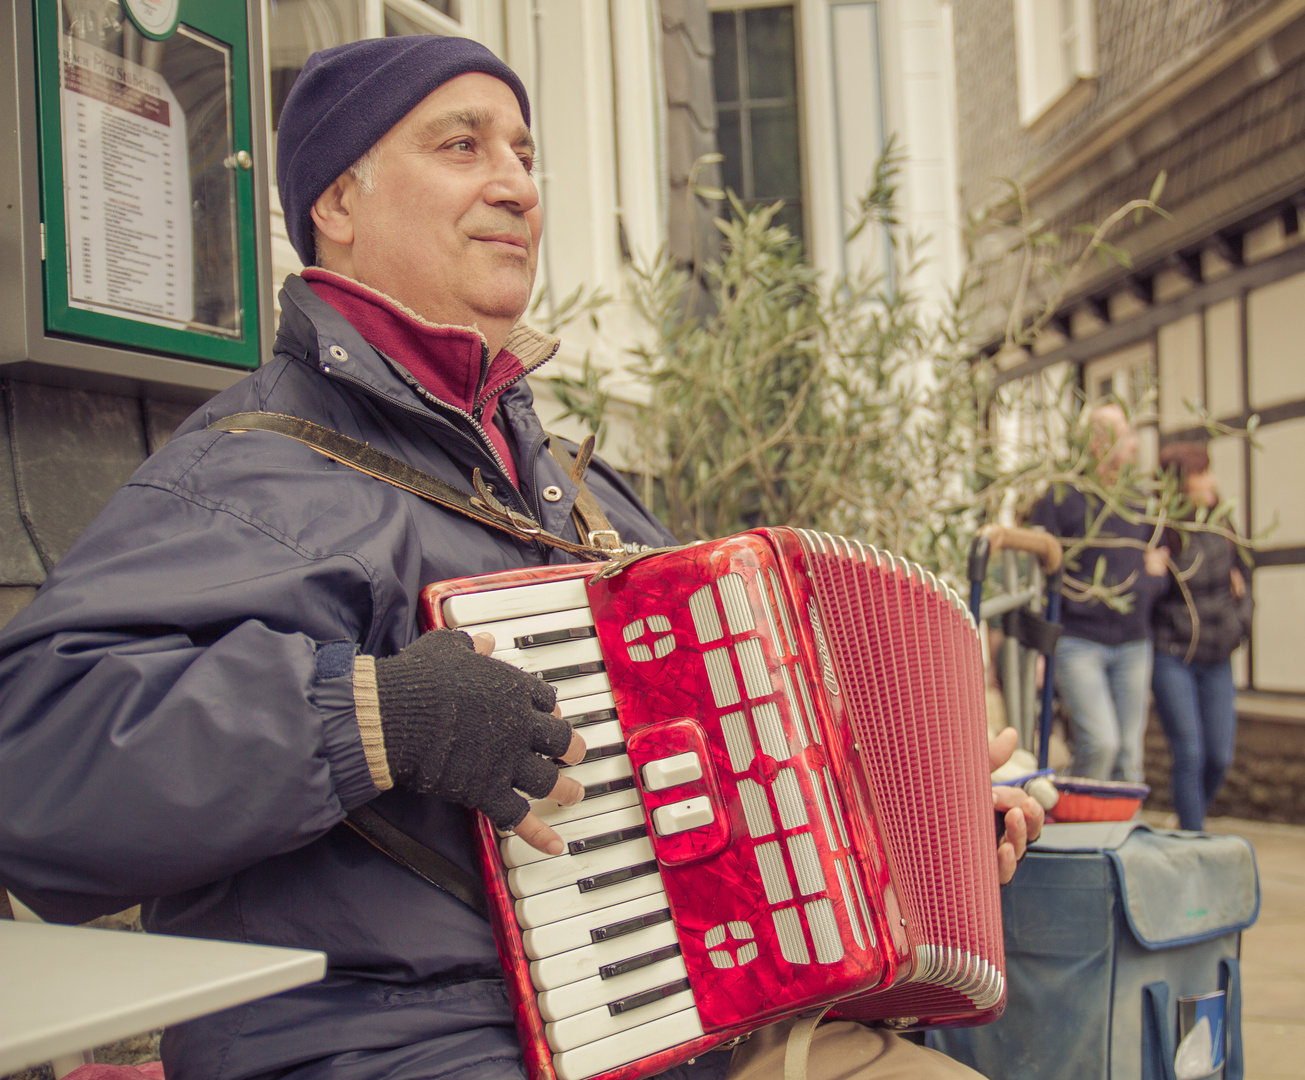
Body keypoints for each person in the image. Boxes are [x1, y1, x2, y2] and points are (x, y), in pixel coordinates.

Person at [0, 36, 1038, 1080]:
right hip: (398, 1042)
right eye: (461, 145)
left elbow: (757, 775)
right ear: (338, 205)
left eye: (526, 154)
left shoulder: (582, 493)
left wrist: (924, 826)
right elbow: (30, 763)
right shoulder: (250, 471)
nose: (515, 185)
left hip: (683, 1023)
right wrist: (375, 715)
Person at [1029, 403, 1167, 782]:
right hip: (1078, 641)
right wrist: (1042, 646)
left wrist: (1148, 580)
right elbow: (1037, 575)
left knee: (1129, 756)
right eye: (1126, 434)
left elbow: (1162, 569)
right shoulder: (1062, 498)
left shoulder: (1140, 503)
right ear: (1098, 442)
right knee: (1100, 743)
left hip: (1134, 642)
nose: (1135, 444)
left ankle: (1123, 837)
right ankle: (1080, 827)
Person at [1149, 442, 1251, 831]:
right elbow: (1150, 597)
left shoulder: (1221, 522)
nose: (1210, 480)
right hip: (1174, 654)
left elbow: (1245, 577)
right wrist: (1151, 572)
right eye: (1200, 473)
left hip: (1217, 656)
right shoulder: (1162, 527)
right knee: (1189, 752)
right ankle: (1194, 842)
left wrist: (1239, 624)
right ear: (1180, 483)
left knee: (1219, 756)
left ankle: (1189, 821)